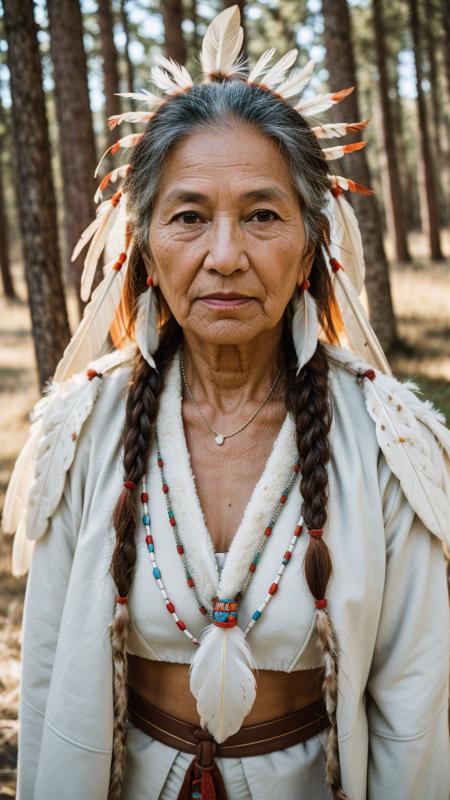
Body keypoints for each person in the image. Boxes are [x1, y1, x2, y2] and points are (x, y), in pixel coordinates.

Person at [3, 6, 449, 800]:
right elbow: (43, 684)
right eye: (189, 217)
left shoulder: (386, 440)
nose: (225, 256)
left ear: (313, 240)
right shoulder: (82, 429)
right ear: (142, 242)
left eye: (262, 216)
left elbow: (415, 703)